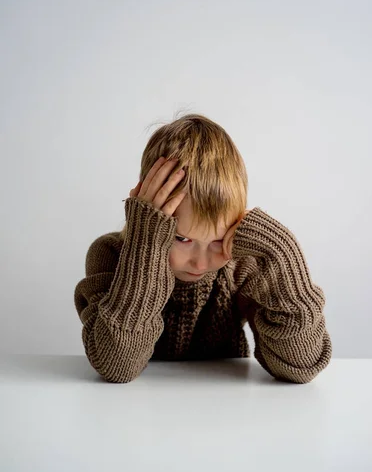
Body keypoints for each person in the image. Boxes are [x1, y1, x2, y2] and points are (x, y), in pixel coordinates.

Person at [74, 112, 332, 383]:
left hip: (226, 409)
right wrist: (145, 246)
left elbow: (301, 366)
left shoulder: (243, 265)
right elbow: (117, 367)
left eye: (219, 241)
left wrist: (283, 252)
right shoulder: (110, 255)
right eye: (182, 239)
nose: (200, 263)